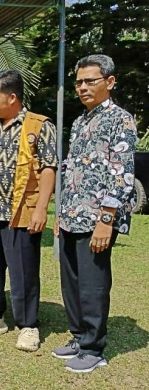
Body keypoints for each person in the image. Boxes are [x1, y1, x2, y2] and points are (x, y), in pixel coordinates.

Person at [53, 55, 136, 373]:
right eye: (79, 82)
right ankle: (79, 336)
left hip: (98, 218)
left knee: (93, 284)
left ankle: (93, 348)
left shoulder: (121, 120)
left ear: (110, 82)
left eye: (91, 80)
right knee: (71, 281)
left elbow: (122, 174)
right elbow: (71, 172)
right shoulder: (79, 122)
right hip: (73, 215)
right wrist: (61, 214)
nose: (83, 87)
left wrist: (106, 219)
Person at [0, 70, 57, 352]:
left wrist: (42, 209)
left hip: (22, 212)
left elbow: (48, 168)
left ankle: (28, 324)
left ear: (12, 97)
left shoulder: (39, 126)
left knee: (24, 272)